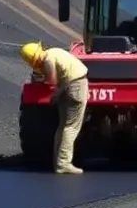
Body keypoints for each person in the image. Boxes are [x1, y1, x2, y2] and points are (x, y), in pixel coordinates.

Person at [20, 41, 89, 174]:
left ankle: (58, 162)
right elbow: (55, 80)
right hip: (73, 85)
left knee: (65, 126)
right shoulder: (51, 54)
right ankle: (63, 163)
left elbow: (52, 80)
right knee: (70, 126)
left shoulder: (48, 60)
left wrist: (45, 85)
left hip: (72, 85)